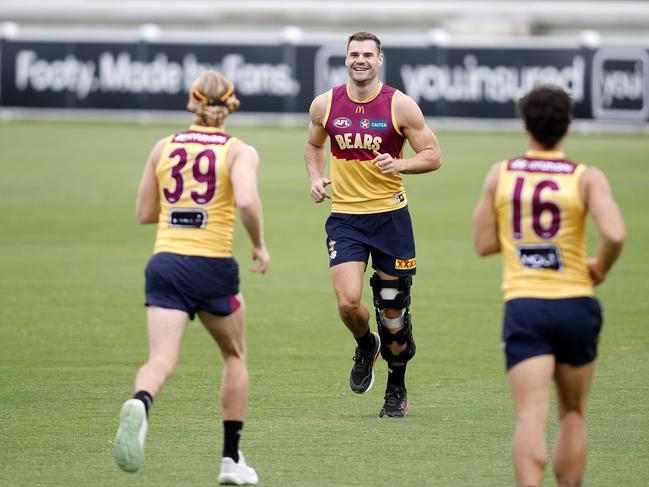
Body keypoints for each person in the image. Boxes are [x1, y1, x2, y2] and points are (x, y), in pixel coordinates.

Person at [113, 70, 270, 485]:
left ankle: (141, 404)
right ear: (230, 106)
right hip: (213, 265)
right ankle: (231, 459)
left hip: (165, 263)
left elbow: (145, 213)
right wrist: (258, 244)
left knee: (160, 360)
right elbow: (249, 202)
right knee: (234, 356)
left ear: (192, 103)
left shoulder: (163, 146)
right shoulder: (239, 150)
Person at [473, 85, 624, 487]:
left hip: (526, 307)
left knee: (531, 416)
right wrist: (600, 268)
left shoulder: (501, 173)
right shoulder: (585, 177)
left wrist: (523, 244)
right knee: (573, 413)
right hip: (576, 302)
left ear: (525, 125)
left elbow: (483, 243)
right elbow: (614, 234)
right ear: (567, 126)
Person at [304, 32, 442, 418]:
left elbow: (433, 155)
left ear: (379, 59)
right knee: (349, 303)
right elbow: (314, 145)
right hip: (346, 218)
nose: (360, 59)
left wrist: (401, 164)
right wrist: (315, 177)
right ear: (345, 60)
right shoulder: (325, 104)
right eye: (353, 54)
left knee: (392, 308)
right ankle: (366, 343)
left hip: (390, 219)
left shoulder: (400, 105)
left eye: (367, 54)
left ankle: (396, 388)